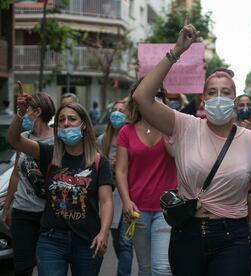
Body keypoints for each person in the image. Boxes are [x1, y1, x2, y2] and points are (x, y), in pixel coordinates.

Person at [132, 23, 251, 276]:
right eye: (212, 92)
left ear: (236, 101)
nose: (219, 97)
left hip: (233, 238)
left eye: (226, 92)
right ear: (203, 99)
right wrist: (176, 51)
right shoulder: (184, 126)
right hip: (187, 235)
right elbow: (141, 98)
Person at [7, 91, 114, 276]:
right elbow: (14, 140)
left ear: (83, 126)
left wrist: (103, 233)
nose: (66, 123)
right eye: (61, 119)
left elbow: (106, 201)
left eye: (72, 119)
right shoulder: (48, 154)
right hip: (51, 240)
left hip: (87, 240)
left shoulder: (99, 162)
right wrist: (21, 112)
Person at [116, 81, 177, 276]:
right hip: (137, 209)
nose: (155, 97)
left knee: (162, 268)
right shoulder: (126, 132)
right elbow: (121, 170)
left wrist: (166, 124)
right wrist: (126, 201)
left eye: (159, 94)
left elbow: (177, 155)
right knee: (146, 268)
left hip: (166, 209)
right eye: (150, 93)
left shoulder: (173, 128)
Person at [2, 92, 55, 276]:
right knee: (22, 268)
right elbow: (16, 174)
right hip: (23, 213)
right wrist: (8, 206)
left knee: (46, 266)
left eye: (28, 111)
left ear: (38, 112)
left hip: (48, 215)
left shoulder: (57, 141)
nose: (25, 115)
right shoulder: (24, 136)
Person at [96, 99, 133, 276]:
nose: (117, 113)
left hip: (127, 195)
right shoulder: (102, 139)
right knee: (117, 242)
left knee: (126, 243)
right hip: (109, 198)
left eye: (121, 110)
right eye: (114, 110)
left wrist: (122, 164)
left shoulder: (132, 137)